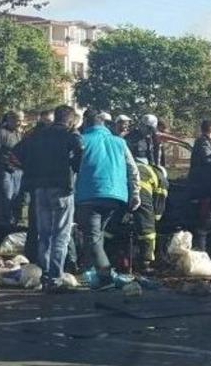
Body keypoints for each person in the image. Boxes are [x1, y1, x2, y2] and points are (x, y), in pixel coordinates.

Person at [13, 105, 84, 292]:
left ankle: (44, 274)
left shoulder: (39, 134)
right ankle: (55, 277)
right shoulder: (70, 135)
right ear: (69, 120)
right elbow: (80, 154)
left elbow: (16, 152)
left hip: (40, 189)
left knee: (43, 234)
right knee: (61, 234)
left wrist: (30, 169)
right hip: (62, 188)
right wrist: (74, 169)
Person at [75, 110, 140, 291]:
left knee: (93, 236)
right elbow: (132, 169)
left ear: (86, 123)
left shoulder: (82, 140)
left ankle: (104, 276)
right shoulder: (120, 142)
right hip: (116, 196)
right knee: (99, 234)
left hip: (90, 194)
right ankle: (92, 270)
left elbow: (74, 168)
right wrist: (135, 194)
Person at [188, 119, 211, 252]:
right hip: (202, 188)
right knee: (203, 222)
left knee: (206, 220)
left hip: (205, 187)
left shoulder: (208, 142)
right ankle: (201, 251)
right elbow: (208, 160)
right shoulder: (202, 142)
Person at [0, 111, 24, 230]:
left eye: (21, 120)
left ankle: (15, 223)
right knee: (6, 198)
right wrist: (6, 164)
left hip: (18, 171)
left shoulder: (19, 133)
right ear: (10, 120)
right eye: (17, 120)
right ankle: (5, 225)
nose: (20, 123)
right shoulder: (1, 133)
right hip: (6, 170)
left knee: (17, 198)